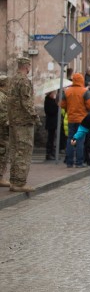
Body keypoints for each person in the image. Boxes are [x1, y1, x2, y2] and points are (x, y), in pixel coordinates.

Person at [6, 57, 39, 192]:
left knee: (15, 151)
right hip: (24, 122)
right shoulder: (24, 81)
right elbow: (26, 102)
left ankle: (14, 181)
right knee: (23, 151)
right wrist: (35, 117)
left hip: (13, 121)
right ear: (27, 66)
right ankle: (19, 183)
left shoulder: (12, 80)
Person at [60, 72, 90, 168]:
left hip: (71, 119)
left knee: (70, 139)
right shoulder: (84, 91)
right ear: (82, 80)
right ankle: (79, 162)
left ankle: (69, 162)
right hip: (82, 120)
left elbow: (62, 105)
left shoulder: (67, 91)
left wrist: (69, 108)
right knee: (80, 141)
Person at [44, 90, 59, 160]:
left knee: (53, 138)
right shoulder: (48, 101)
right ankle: (49, 153)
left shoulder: (52, 100)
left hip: (53, 122)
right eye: (53, 93)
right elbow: (50, 111)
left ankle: (52, 153)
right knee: (51, 138)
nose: (54, 94)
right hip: (51, 122)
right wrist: (57, 107)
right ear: (50, 94)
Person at [0, 75, 9, 187]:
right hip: (2, 131)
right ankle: (0, 177)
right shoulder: (2, 97)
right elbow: (3, 115)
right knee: (2, 153)